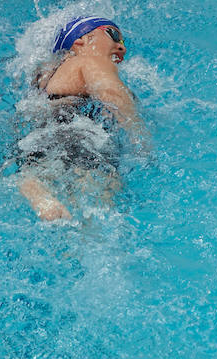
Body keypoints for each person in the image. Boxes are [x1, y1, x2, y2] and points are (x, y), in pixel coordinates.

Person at [17, 16, 145, 221]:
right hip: (81, 137)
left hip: (41, 139)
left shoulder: (48, 80)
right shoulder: (87, 59)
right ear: (81, 41)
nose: (122, 48)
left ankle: (33, 187)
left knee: (41, 170)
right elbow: (112, 93)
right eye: (113, 35)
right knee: (99, 215)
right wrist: (142, 142)